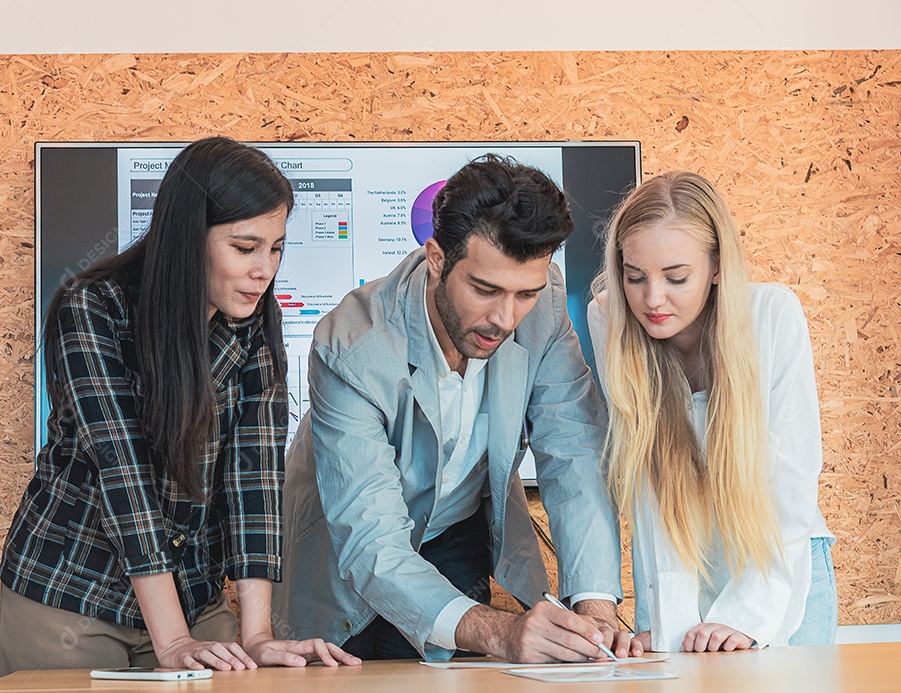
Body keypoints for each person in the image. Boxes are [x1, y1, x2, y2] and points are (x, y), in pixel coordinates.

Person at [0, 137, 359, 679]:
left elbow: (254, 476)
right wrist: (172, 643)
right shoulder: (93, 307)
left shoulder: (255, 319)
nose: (265, 269)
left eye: (276, 248)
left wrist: (256, 634)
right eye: (245, 247)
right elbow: (123, 473)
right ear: (189, 238)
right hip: (72, 591)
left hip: (193, 597)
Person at [272, 155, 627, 663]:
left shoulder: (544, 307)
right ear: (436, 258)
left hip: (454, 528)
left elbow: (574, 452)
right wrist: (503, 634)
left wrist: (596, 612)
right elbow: (372, 539)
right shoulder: (350, 345)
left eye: (524, 292)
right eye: (484, 289)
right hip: (344, 545)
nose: (504, 318)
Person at [587, 171, 837, 654]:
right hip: (677, 567)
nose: (652, 299)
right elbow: (650, 490)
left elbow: (792, 484)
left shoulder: (772, 316)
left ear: (717, 266)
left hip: (778, 568)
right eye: (634, 276)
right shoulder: (609, 318)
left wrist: (746, 617)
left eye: (676, 277)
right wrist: (670, 624)